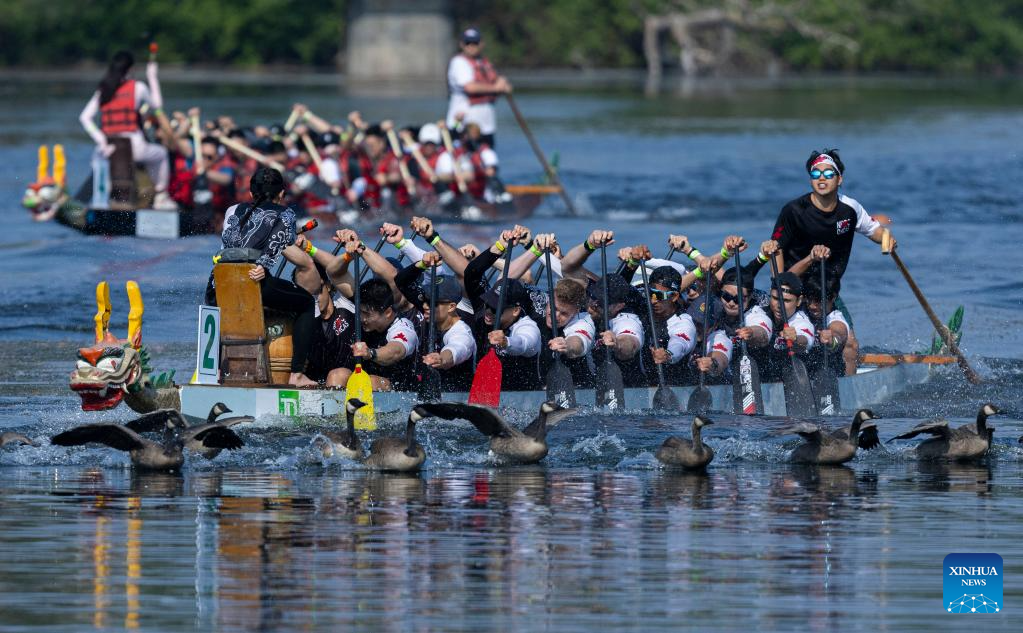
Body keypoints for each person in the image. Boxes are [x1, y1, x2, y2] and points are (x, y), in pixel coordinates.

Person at [206, 166, 317, 387]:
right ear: (282, 194)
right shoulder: (286, 213)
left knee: (222, 307)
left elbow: (228, 247)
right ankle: (297, 374)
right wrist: (264, 266)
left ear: (250, 193)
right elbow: (273, 248)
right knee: (307, 303)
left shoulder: (232, 210)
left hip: (217, 284)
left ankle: (217, 370)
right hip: (253, 281)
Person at [763, 148, 893, 284]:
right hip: (793, 287)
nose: (821, 177)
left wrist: (886, 237)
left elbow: (874, 231)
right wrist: (777, 284)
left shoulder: (850, 208)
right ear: (810, 180)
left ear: (839, 180)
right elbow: (775, 247)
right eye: (815, 173)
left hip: (828, 289)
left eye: (829, 173)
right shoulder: (794, 210)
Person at [79, 50, 176, 209]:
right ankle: (160, 196)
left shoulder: (104, 89)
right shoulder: (138, 87)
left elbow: (84, 118)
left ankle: (102, 201)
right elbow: (157, 105)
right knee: (161, 154)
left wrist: (102, 140)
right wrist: (152, 76)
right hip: (134, 147)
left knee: (98, 160)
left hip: (107, 149)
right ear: (130, 69)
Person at [349, 276, 421, 392]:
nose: (361, 318)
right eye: (359, 312)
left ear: (387, 312)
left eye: (366, 313)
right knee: (338, 375)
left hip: (401, 389)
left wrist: (371, 353)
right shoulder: (366, 321)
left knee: (370, 381)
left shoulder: (403, 327)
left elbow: (396, 351)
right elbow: (337, 275)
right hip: (367, 381)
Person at [446, 28, 512, 147]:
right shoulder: (459, 62)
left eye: (475, 43)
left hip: (486, 124)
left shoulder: (483, 63)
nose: (471, 46)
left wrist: (504, 85)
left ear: (481, 44)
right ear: (462, 44)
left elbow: (496, 82)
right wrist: (497, 88)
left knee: (487, 157)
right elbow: (470, 87)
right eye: (468, 43)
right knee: (463, 155)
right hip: (462, 121)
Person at [643, 265, 698, 386]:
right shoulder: (642, 308)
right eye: (650, 293)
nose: (653, 300)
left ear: (674, 296)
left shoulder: (683, 322)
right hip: (642, 386)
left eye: (659, 296)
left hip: (676, 388)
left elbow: (680, 342)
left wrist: (668, 355)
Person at [762, 269, 817, 382]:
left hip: (796, 381)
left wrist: (796, 339)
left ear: (798, 301)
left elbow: (805, 339)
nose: (779, 306)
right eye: (776, 298)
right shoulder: (759, 312)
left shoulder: (801, 321)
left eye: (786, 301)